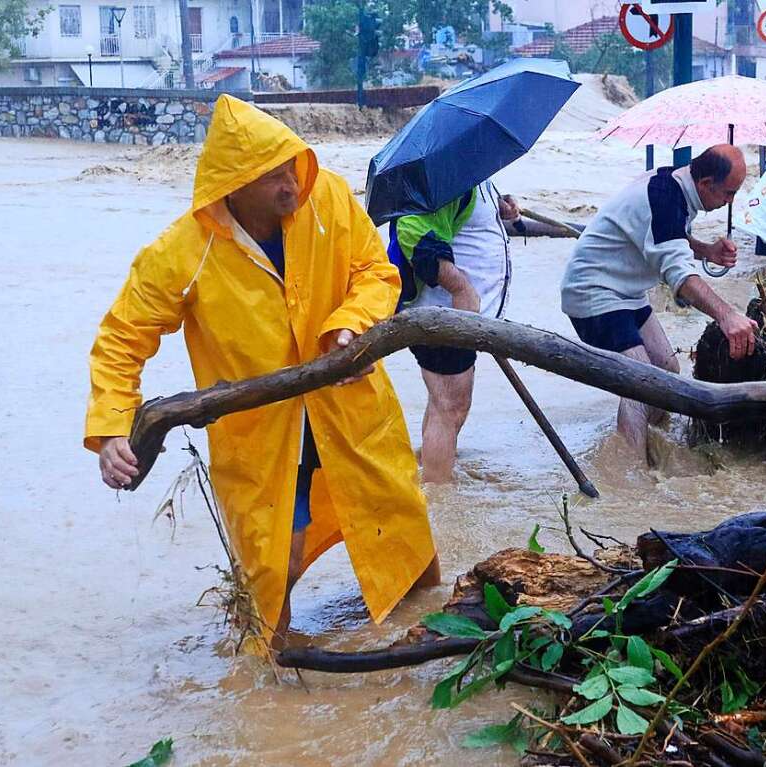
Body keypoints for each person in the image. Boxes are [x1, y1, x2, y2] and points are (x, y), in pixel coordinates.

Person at [85, 95, 439, 649]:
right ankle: (265, 662)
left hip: (350, 404)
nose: (290, 184)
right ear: (234, 184)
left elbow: (376, 271)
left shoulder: (327, 199)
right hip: (262, 430)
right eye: (272, 175)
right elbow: (122, 338)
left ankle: (423, 636)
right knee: (276, 552)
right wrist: (111, 428)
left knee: (398, 522)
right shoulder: (184, 251)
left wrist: (350, 327)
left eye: (292, 166)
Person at [560, 145, 758, 458]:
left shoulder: (674, 182)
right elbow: (680, 278)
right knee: (639, 381)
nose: (730, 201)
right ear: (705, 183)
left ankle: (651, 447)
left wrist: (706, 250)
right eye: (729, 193)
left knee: (667, 368)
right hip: (592, 292)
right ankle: (631, 476)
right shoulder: (665, 197)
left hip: (626, 292)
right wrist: (727, 315)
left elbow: (666, 235)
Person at [388, 180, 521, 483]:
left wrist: (501, 207)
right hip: (443, 317)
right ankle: (439, 498)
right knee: (450, 407)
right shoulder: (444, 179)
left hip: (460, 317)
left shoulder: (472, 175)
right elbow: (413, 230)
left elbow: (463, 218)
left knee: (444, 404)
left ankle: (428, 474)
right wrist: (459, 286)